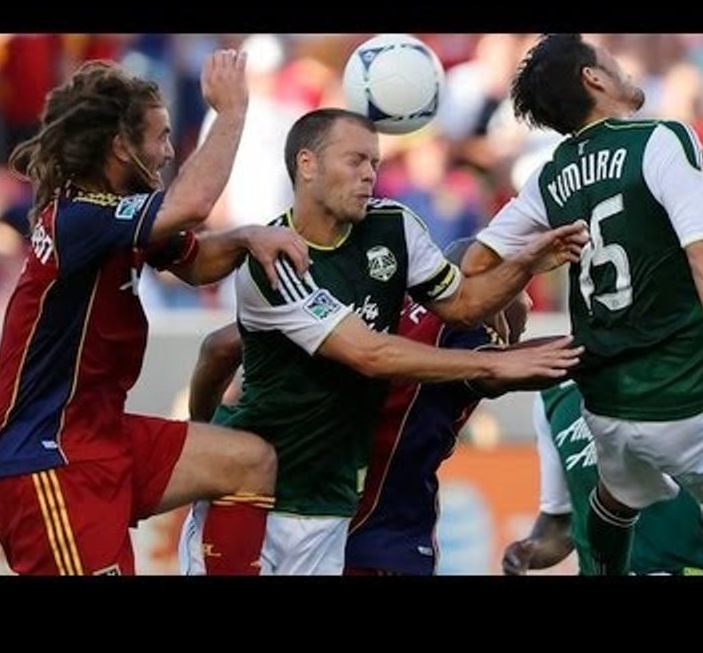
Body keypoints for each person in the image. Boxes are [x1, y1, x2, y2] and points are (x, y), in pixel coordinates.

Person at [182, 108, 588, 575]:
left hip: (331, 505)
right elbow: (374, 354)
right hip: (274, 495)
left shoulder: (393, 235)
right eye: (356, 160)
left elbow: (220, 346)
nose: (370, 174)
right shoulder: (277, 259)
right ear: (307, 163)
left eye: (375, 162)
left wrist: (523, 267)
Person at [463, 34, 703, 575]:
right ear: (593, 79)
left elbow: (475, 265)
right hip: (685, 391)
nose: (622, 69)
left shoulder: (550, 177)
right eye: (610, 62)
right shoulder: (662, 140)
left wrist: (531, 260)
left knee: (617, 498)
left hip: (607, 403)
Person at [0, 51, 311, 576]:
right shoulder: (77, 217)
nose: (168, 152)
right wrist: (232, 112)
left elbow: (198, 263)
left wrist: (248, 237)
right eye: (160, 137)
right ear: (120, 145)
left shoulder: (114, 219)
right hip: (44, 458)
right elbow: (192, 205)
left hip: (97, 434)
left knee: (250, 462)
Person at [179, 238, 539, 576]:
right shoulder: (462, 335)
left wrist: (209, 434)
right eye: (518, 285)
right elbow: (513, 367)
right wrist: (588, 347)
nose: (530, 302)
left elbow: (219, 347)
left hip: (246, 499)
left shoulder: (362, 293)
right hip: (370, 531)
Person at [502, 381, 703, 576]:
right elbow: (561, 522)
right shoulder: (552, 397)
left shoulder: (692, 364)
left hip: (693, 569)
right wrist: (528, 550)